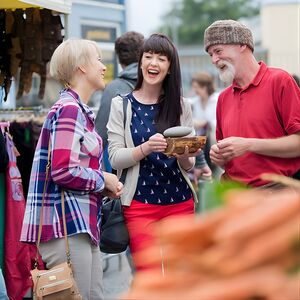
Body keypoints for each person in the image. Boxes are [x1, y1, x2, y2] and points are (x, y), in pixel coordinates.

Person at [20, 38, 123, 299]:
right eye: (98, 59)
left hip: (78, 224)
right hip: (66, 226)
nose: (103, 66)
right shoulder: (69, 110)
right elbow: (63, 170)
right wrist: (104, 180)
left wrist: (102, 184)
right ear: (81, 67)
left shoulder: (75, 109)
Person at [107, 33, 211, 271]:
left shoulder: (181, 105)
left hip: (180, 202)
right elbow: (114, 157)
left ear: (170, 68)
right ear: (141, 62)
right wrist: (145, 148)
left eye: (161, 59)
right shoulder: (121, 104)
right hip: (140, 205)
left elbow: (189, 165)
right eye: (149, 57)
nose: (153, 63)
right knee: (149, 277)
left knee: (181, 275)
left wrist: (182, 153)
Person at [204, 19, 300, 187]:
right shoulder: (223, 98)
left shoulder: (280, 81)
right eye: (210, 54)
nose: (214, 59)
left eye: (218, 51)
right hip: (233, 194)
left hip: (275, 194)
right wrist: (219, 156)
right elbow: (231, 158)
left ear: (242, 45)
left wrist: (248, 144)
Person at [95, 31, 144, 171]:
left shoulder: (115, 87)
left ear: (119, 59)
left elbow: (100, 135)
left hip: (125, 166)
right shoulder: (158, 82)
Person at [190, 72, 220, 179]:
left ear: (205, 86)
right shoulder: (195, 102)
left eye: (197, 87)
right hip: (200, 142)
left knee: (215, 169)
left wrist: (205, 123)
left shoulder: (217, 99)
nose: (195, 91)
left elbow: (218, 121)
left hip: (213, 141)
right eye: (194, 88)